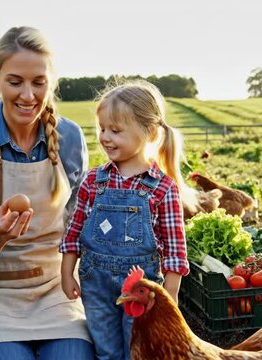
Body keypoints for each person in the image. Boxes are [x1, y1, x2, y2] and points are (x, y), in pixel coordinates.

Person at [0, 26, 93, 360]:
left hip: (57, 290)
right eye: (15, 81)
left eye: (38, 82)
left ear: (51, 81)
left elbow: (81, 222)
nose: (28, 95)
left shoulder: (69, 137)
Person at [60, 80, 195, 360]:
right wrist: (67, 271)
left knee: (139, 352)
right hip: (95, 286)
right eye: (102, 129)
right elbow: (74, 230)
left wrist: (169, 297)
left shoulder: (162, 188)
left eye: (116, 131)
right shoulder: (93, 181)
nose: (105, 137)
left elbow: (174, 250)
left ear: (150, 132)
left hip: (141, 289)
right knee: (106, 351)